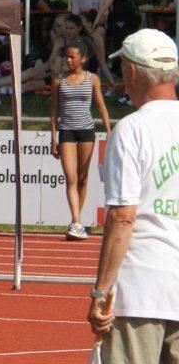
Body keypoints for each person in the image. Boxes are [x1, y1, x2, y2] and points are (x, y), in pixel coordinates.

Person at [87, 28, 179, 364]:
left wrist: (101, 290)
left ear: (136, 72)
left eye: (123, 65)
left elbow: (123, 216)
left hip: (143, 280)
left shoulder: (132, 128)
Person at [50, 39, 111, 241]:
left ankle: (77, 221)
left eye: (72, 56)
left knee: (83, 178)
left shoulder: (92, 79)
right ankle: (76, 222)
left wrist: (109, 132)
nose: (68, 60)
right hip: (66, 131)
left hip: (86, 131)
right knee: (71, 178)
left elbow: (101, 106)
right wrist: (53, 137)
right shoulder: (59, 79)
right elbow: (54, 111)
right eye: (66, 56)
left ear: (82, 58)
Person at [92, 0, 143, 105]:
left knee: (125, 54)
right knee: (133, 54)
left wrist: (100, 15)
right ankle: (132, 90)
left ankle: (130, 92)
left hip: (122, 15)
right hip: (134, 14)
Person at [72, 0, 115, 89]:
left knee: (96, 36)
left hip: (98, 26)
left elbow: (103, 17)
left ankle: (101, 68)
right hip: (81, 26)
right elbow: (75, 16)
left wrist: (90, 29)